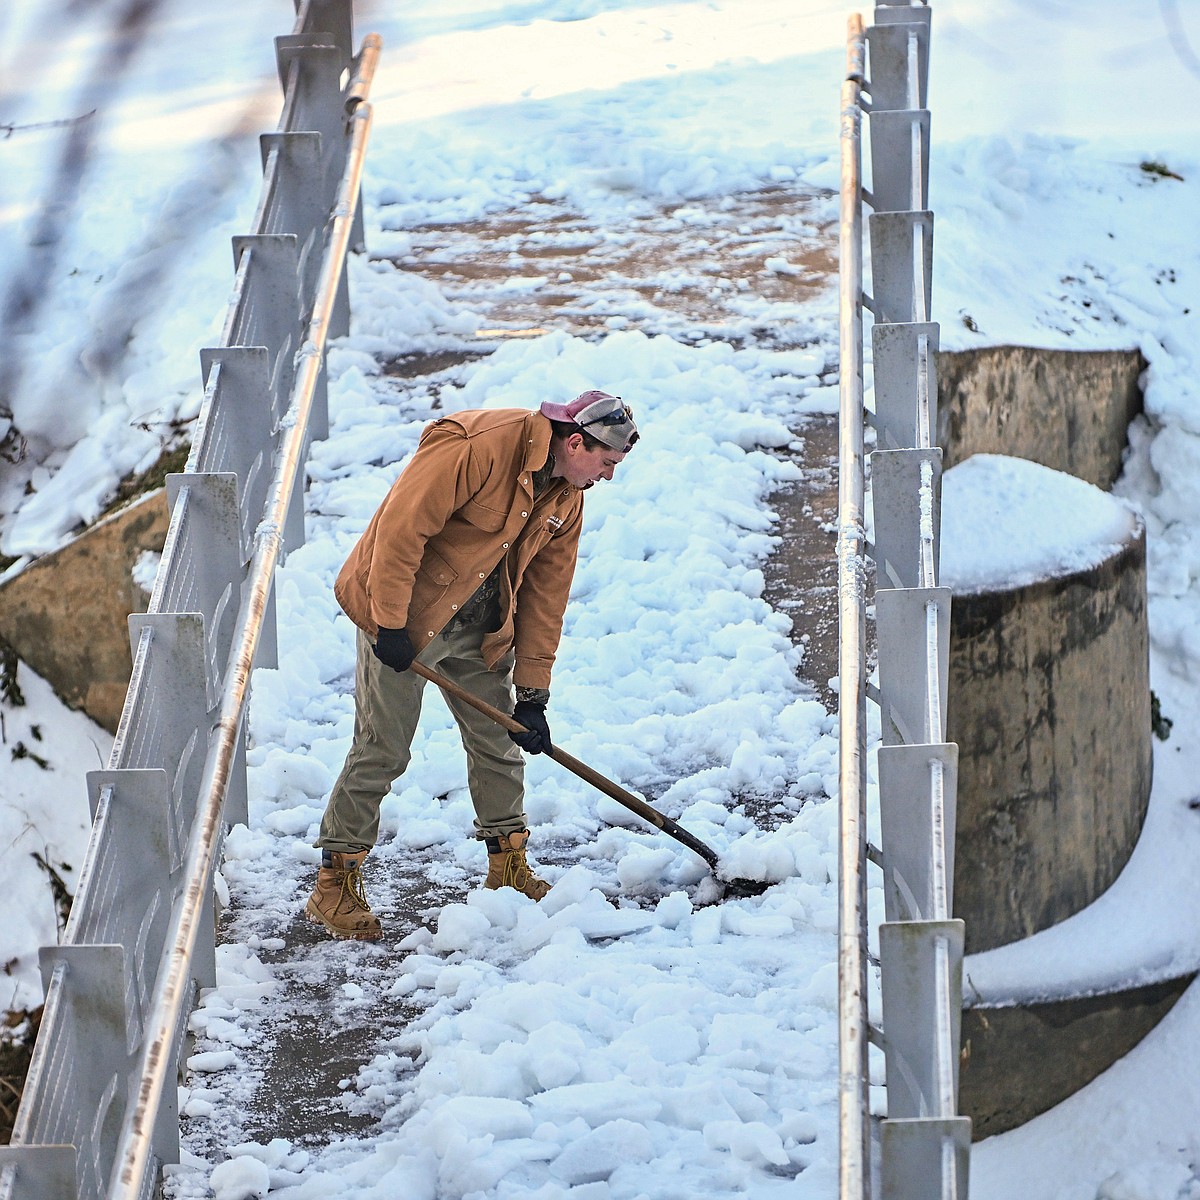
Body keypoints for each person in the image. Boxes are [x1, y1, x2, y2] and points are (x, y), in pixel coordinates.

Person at [304, 390, 639, 940]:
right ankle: (334, 882)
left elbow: (545, 598)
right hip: (408, 617)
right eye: (607, 463)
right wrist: (389, 624)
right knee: (382, 748)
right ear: (576, 441)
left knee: (500, 743)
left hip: (482, 627)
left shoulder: (566, 498)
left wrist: (533, 696)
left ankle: (507, 869)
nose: (607, 476)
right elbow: (399, 531)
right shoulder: (476, 446)